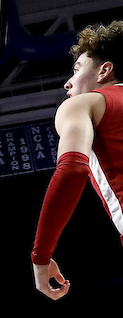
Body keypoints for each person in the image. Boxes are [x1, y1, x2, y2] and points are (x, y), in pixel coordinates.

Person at [29, 21, 123, 299]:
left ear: (105, 70)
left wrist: (40, 256)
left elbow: (71, 170)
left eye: (78, 69)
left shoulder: (85, 103)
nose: (68, 82)